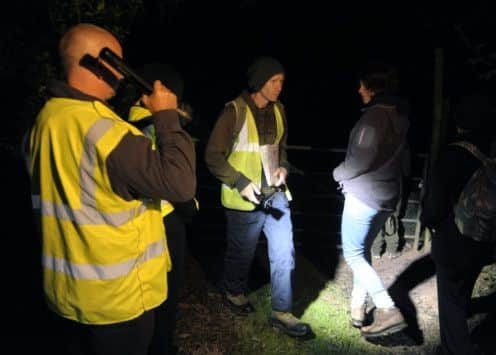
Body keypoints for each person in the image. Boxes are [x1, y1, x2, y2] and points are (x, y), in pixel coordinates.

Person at [25, 23, 196, 355]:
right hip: (119, 303)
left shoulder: (44, 121)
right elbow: (181, 183)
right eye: (118, 63)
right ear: (100, 64)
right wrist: (167, 118)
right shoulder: (107, 131)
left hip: (66, 296)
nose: (123, 73)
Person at [204, 56, 311, 338]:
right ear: (260, 81)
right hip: (244, 200)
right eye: (274, 81)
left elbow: (282, 149)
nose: (279, 87)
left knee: (283, 251)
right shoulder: (233, 112)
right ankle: (234, 293)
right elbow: (212, 157)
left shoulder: (280, 111)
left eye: (281, 82)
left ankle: (282, 312)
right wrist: (239, 182)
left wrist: (283, 169)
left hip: (275, 195)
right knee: (242, 253)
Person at [332, 62, 409, 338]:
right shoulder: (399, 115)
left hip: (364, 195)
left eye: (362, 85)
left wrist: (337, 173)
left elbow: (361, 160)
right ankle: (357, 309)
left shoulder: (375, 117)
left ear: (372, 88)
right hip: (387, 196)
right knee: (362, 250)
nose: (359, 90)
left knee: (352, 253)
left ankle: (387, 309)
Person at [128, 62, 199, 355]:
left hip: (137, 223)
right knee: (166, 295)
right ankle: (161, 347)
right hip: (167, 220)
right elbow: (177, 182)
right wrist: (189, 207)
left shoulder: (122, 125)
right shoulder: (158, 127)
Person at [421, 92, 496, 355]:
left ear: (458, 122)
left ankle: (457, 349)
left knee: (450, 299)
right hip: (485, 238)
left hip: (454, 242)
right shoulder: (491, 152)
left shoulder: (452, 154)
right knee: (464, 286)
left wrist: (430, 222)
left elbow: (434, 206)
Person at [371, 143, 412, 259]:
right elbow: (407, 170)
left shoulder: (375, 139)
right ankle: (391, 250)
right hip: (394, 184)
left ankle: (376, 250)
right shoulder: (402, 143)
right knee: (391, 217)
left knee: (376, 216)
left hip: (375, 185)